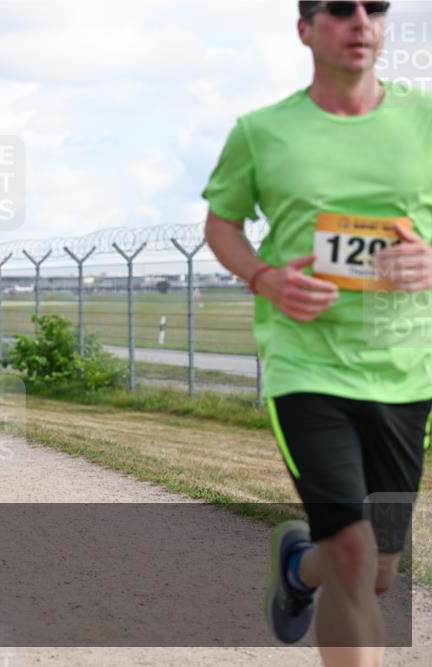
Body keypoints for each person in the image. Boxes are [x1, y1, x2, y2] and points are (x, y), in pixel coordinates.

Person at [203, 2, 432, 662]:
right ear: (305, 28)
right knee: (354, 554)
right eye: (339, 8)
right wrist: (264, 277)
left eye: (375, 7)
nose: (361, 20)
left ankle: (299, 564)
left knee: (377, 570)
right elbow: (222, 224)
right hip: (307, 366)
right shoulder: (262, 131)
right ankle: (323, 557)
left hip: (406, 370)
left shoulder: (423, 119)